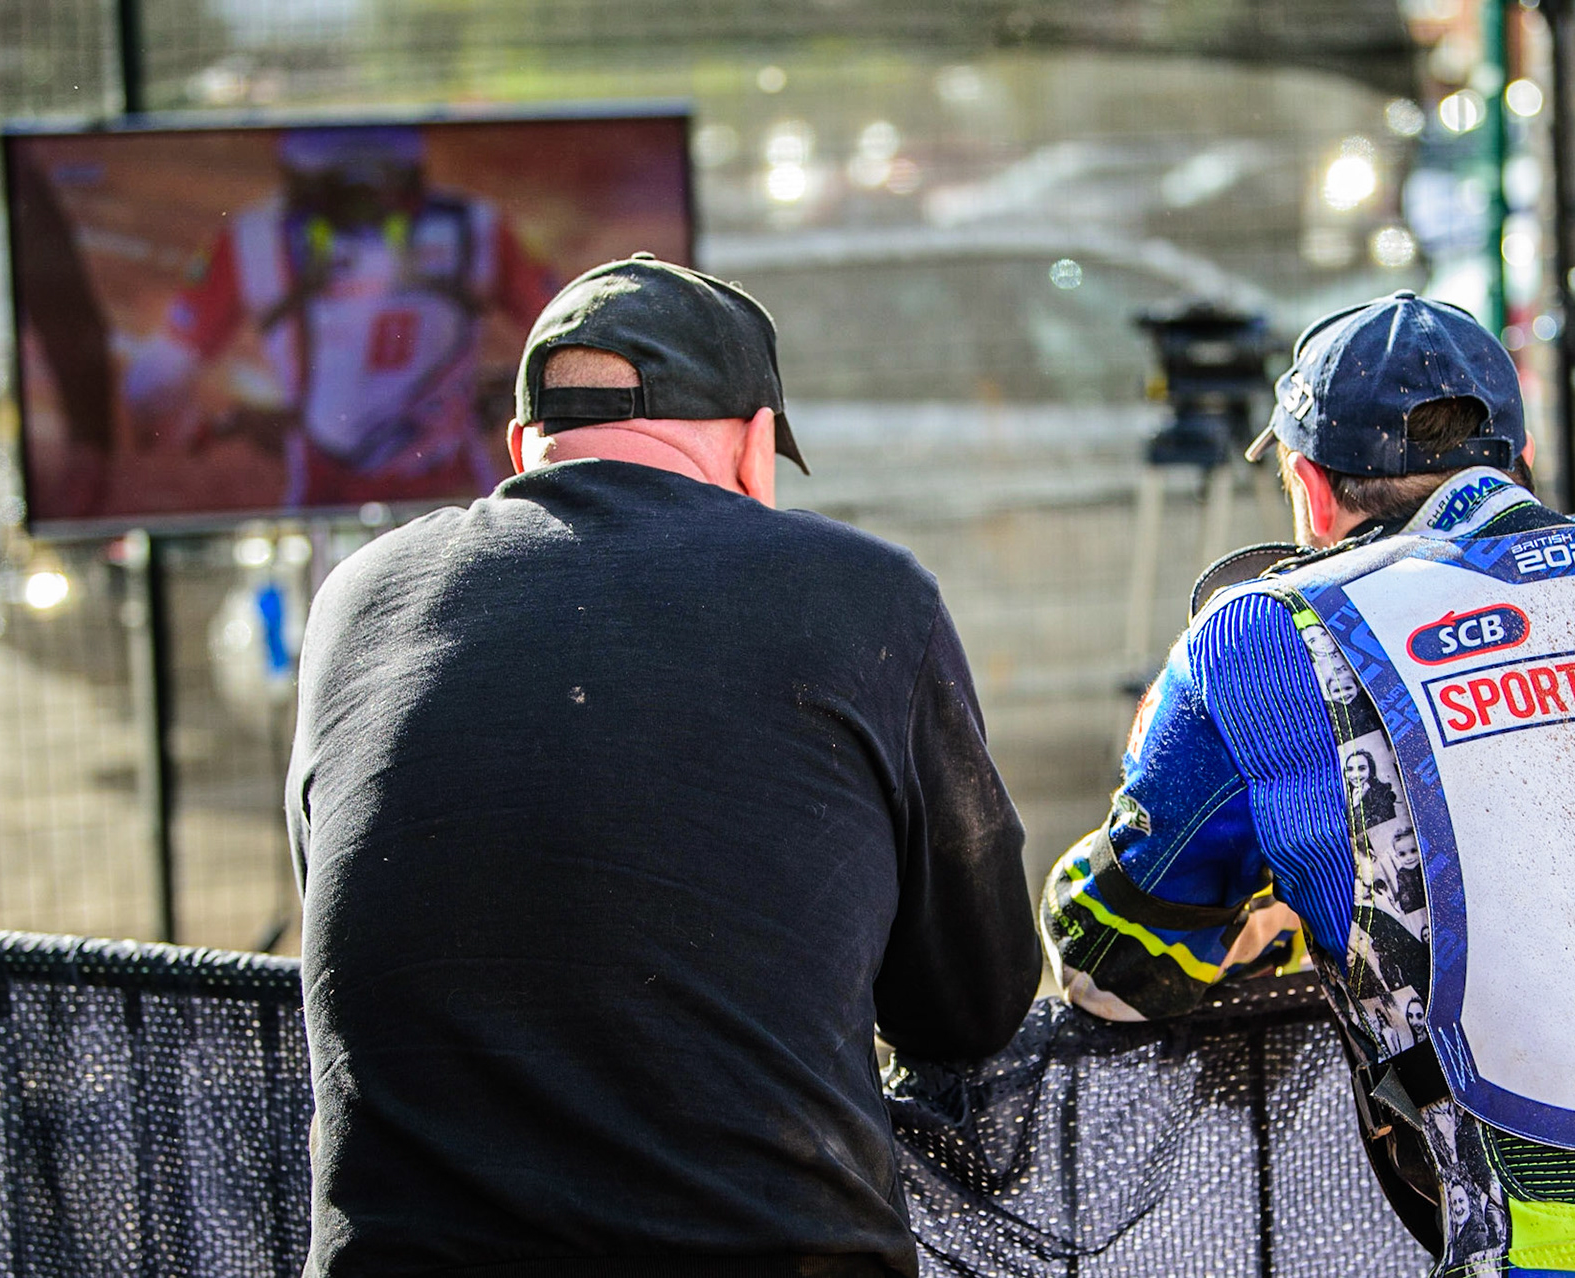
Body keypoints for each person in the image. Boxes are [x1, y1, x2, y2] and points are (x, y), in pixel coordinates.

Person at [1039, 291, 1575, 1277]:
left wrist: (1283, 911)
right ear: (1517, 459)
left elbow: (1111, 967)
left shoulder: (1271, 634)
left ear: (1307, 487)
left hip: (1574, 1246)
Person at [288, 255, 1040, 1278]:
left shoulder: (356, 602)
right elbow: (970, 1004)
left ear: (523, 448)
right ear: (755, 448)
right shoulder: (867, 596)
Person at [124, 126, 557, 509]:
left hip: (324, 506)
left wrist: (213, 427)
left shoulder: (253, 239)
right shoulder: (478, 227)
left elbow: (151, 385)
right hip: (454, 504)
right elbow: (574, 327)